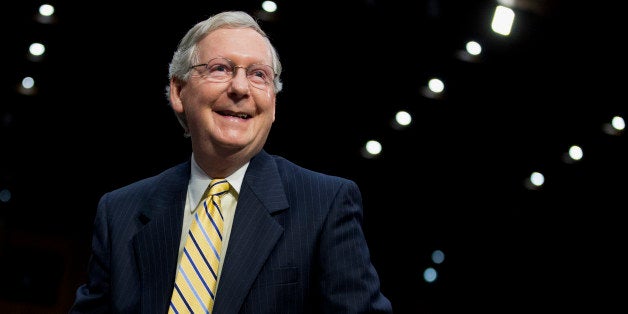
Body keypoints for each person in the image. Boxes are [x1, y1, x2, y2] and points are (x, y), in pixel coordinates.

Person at [70, 10, 392, 313]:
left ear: (274, 104)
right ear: (179, 92)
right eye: (221, 68)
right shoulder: (119, 213)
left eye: (258, 75)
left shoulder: (325, 205)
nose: (240, 87)